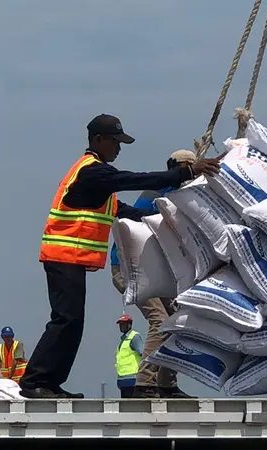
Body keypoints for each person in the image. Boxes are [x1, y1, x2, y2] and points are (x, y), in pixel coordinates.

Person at [19, 113, 222, 399]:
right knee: (65, 320)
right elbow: (132, 179)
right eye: (115, 141)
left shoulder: (97, 180)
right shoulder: (93, 172)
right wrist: (185, 173)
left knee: (72, 321)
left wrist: (166, 217)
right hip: (62, 255)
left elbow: (124, 211)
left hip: (71, 259)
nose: (119, 148)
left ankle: (50, 383)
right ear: (98, 140)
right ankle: (34, 381)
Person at [110, 149, 197, 399]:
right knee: (160, 320)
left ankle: (166, 383)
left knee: (178, 322)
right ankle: (144, 383)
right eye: (187, 169)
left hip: (155, 270)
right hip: (131, 269)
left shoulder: (173, 193)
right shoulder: (162, 193)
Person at [114, 315, 143, 398]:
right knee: (125, 408)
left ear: (129, 325)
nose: (121, 326)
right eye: (120, 324)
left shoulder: (134, 337)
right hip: (123, 379)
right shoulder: (123, 340)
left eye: (124, 324)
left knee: (132, 407)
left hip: (133, 379)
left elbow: (142, 354)